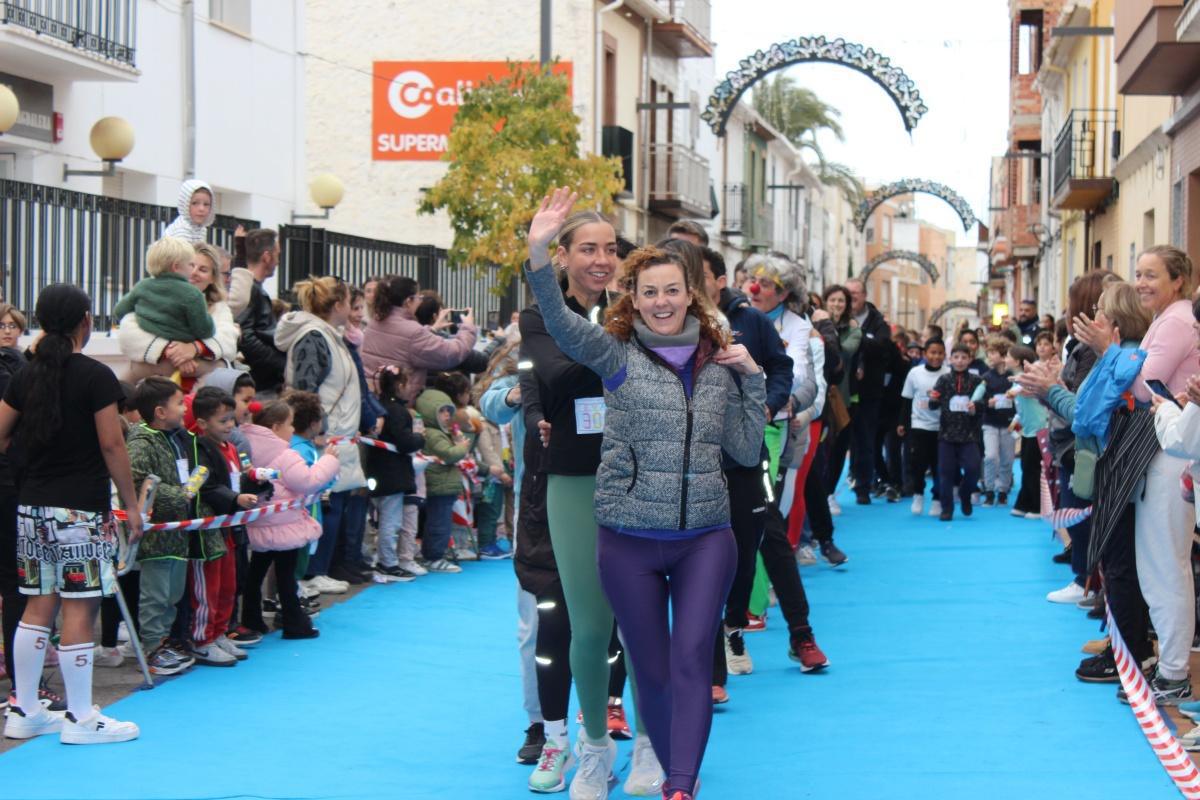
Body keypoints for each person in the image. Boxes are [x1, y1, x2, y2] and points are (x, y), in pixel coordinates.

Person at [527, 188, 767, 800]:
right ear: (633, 299)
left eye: (672, 289)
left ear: (693, 293)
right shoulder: (614, 355)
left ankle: (674, 777)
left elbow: (744, 451)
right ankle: (613, 752)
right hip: (625, 530)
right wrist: (537, 249)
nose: (661, 301)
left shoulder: (721, 361)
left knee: (687, 658)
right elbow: (556, 323)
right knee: (632, 654)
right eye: (649, 291)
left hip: (704, 537)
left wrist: (752, 382)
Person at [0, 284, 142, 744]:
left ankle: (24, 709)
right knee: (80, 608)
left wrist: (24, 465)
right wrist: (132, 502)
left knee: (36, 607)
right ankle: (81, 718)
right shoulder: (95, 376)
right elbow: (111, 443)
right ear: (85, 320)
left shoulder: (27, 374)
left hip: (32, 506)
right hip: (81, 507)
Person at [275, 277, 366, 592]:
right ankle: (311, 570)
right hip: (321, 437)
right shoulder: (314, 337)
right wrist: (313, 430)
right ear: (337, 304)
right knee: (322, 504)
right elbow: (305, 388)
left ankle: (318, 568)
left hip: (334, 435)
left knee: (333, 502)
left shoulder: (329, 336)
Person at [239, 400, 339, 639]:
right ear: (275, 427)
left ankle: (251, 620)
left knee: (256, 573)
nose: (293, 430)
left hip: (259, 523)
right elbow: (306, 481)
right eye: (289, 424)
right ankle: (294, 622)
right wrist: (329, 460)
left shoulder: (246, 446)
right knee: (286, 575)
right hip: (283, 525)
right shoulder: (285, 454)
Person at [188, 387, 261, 666]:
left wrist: (256, 483)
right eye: (223, 421)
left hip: (230, 529)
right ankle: (202, 639)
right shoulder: (199, 448)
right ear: (204, 423)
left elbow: (239, 478)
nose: (230, 425)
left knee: (228, 586)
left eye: (232, 419)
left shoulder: (231, 447)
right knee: (208, 588)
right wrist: (235, 498)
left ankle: (219, 632)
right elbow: (204, 486)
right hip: (209, 532)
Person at [118, 241, 239, 383]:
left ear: (213, 278)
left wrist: (195, 348)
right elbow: (129, 331)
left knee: (221, 367)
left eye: (203, 269)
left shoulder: (219, 307)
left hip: (198, 387)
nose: (193, 273)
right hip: (150, 382)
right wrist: (173, 352)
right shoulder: (151, 296)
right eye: (191, 265)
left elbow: (227, 340)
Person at [361, 275, 478, 403]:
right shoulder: (413, 332)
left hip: (374, 399)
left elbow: (401, 343)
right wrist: (468, 327)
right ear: (408, 301)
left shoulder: (375, 321)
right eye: (418, 297)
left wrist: (431, 329)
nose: (420, 301)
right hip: (400, 403)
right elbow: (451, 353)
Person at [366, 366, 426, 581]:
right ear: (400, 385)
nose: (410, 388)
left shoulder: (379, 406)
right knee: (390, 522)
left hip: (378, 470)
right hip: (393, 473)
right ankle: (387, 563)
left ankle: (383, 560)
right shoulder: (398, 411)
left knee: (380, 520)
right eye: (408, 383)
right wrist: (419, 438)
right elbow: (404, 442)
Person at [113, 238, 215, 356]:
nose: (193, 270)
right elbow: (204, 330)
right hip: (182, 347)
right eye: (191, 264)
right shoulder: (192, 294)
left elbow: (119, 311)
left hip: (151, 349)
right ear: (176, 266)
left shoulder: (142, 286)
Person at [843, 278, 895, 504]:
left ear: (864, 295)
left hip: (869, 392)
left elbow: (883, 347)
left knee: (866, 439)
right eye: (848, 293)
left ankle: (863, 485)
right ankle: (847, 478)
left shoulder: (877, 321)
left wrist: (858, 337)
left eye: (856, 293)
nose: (852, 297)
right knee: (842, 441)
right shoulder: (840, 319)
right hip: (843, 389)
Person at [413, 383, 475, 573]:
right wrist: (462, 447)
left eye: (449, 411)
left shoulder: (440, 433)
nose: (447, 415)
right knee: (439, 524)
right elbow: (448, 454)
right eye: (442, 411)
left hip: (443, 485)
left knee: (439, 522)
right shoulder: (434, 435)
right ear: (430, 413)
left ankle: (434, 554)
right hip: (439, 485)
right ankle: (434, 556)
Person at [0, 304, 27, 694]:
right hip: (10, 482)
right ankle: (26, 687)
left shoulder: (21, 365)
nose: (7, 331)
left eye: (12, 326)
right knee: (14, 580)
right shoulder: (17, 372)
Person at [929, 344, 983, 521]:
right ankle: (947, 508)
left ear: (970, 360)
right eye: (956, 357)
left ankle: (965, 493)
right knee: (945, 472)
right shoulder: (943, 380)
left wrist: (975, 408)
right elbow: (933, 405)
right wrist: (933, 398)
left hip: (969, 435)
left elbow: (983, 407)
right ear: (950, 359)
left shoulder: (976, 381)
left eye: (963, 357)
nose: (960, 361)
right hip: (947, 435)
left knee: (973, 469)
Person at [822, 284, 862, 514]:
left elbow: (844, 352)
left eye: (841, 301)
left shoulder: (853, 331)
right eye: (833, 300)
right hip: (819, 395)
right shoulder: (813, 324)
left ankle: (829, 494)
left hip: (842, 398)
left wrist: (828, 331)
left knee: (838, 449)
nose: (836, 305)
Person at [899, 338, 948, 517]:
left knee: (939, 465)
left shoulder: (948, 373)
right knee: (917, 463)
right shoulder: (915, 373)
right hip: (919, 424)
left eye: (940, 353)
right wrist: (902, 423)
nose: (936, 356)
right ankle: (918, 494)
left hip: (941, 427)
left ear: (944, 355)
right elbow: (907, 399)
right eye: (932, 353)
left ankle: (937, 498)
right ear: (925, 354)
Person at [235, 229, 287, 394]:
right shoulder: (250, 289)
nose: (278, 261)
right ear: (266, 256)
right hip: (260, 385)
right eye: (277, 254)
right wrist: (282, 364)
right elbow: (246, 337)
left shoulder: (253, 289)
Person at [979, 336, 1016, 508]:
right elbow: (979, 399)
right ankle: (988, 490)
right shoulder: (986, 377)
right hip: (990, 423)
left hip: (1008, 424)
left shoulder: (1012, 377)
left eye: (993, 353)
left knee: (1007, 459)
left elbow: (1019, 400)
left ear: (1003, 356)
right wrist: (988, 403)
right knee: (990, 456)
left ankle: (1002, 491)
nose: (990, 357)